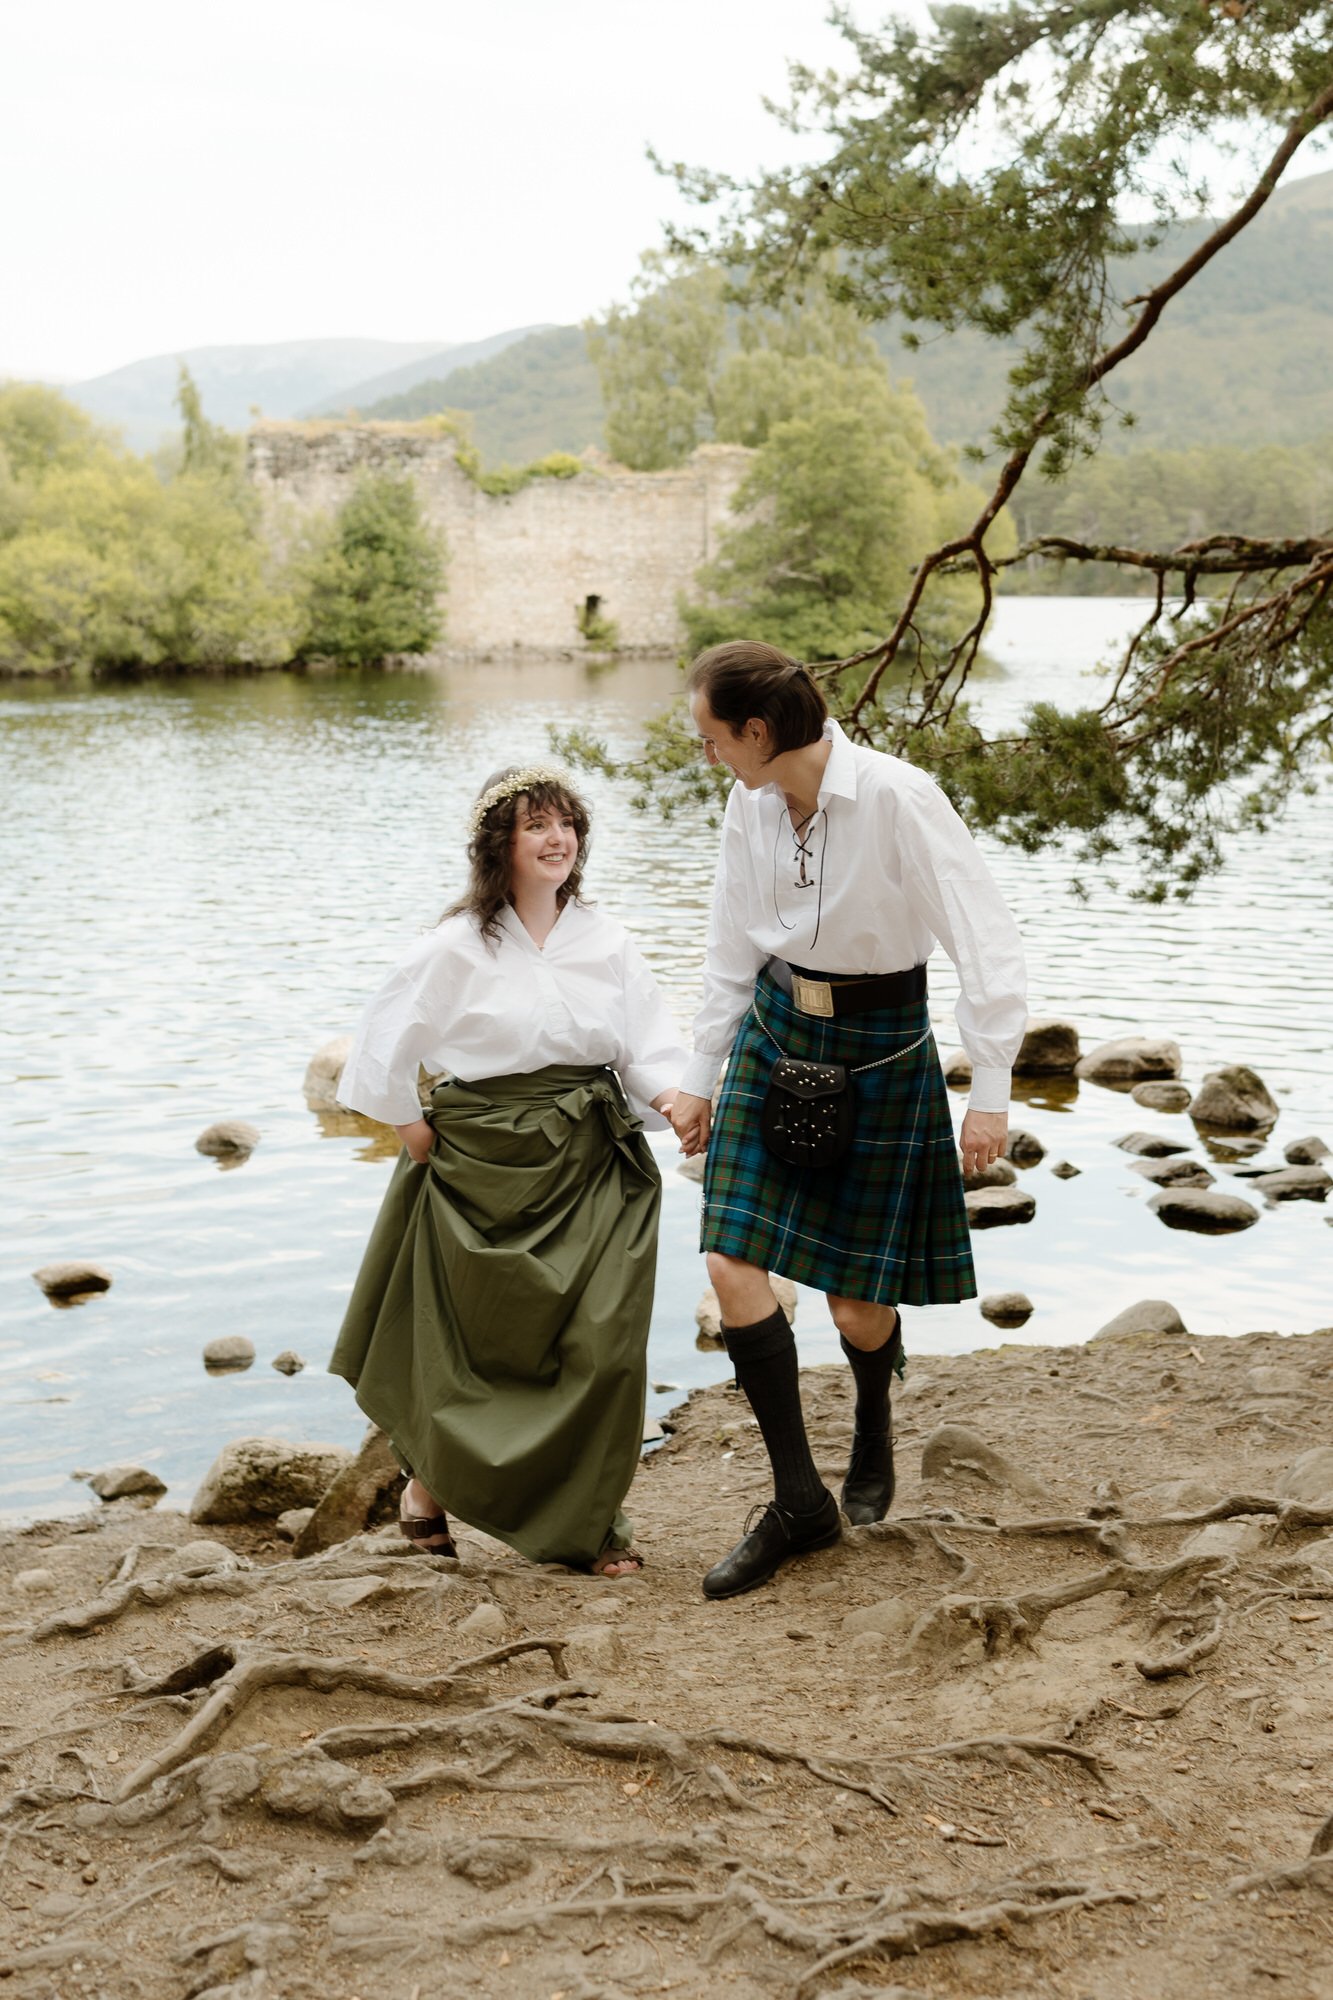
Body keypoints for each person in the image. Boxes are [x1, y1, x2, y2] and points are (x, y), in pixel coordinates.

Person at [669, 642, 1027, 1599]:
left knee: (856, 1305)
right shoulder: (747, 805)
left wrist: (987, 1092)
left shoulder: (899, 798)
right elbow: (726, 945)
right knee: (729, 1258)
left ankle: (873, 1420)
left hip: (880, 1045)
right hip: (775, 1030)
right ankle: (798, 1501)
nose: (706, 756)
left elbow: (983, 941)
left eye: (711, 739)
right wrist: (698, 1074)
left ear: (757, 732)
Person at [330, 764, 685, 1577]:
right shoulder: (453, 946)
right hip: (481, 1162)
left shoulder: (606, 939)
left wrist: (675, 1097)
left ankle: (589, 1523)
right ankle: (425, 1491)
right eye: (536, 825)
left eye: (566, 823)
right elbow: (383, 1045)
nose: (556, 838)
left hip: (594, 1159)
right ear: (500, 845)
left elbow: (646, 1042)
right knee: (474, 1347)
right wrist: (413, 1125)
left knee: (602, 1345)